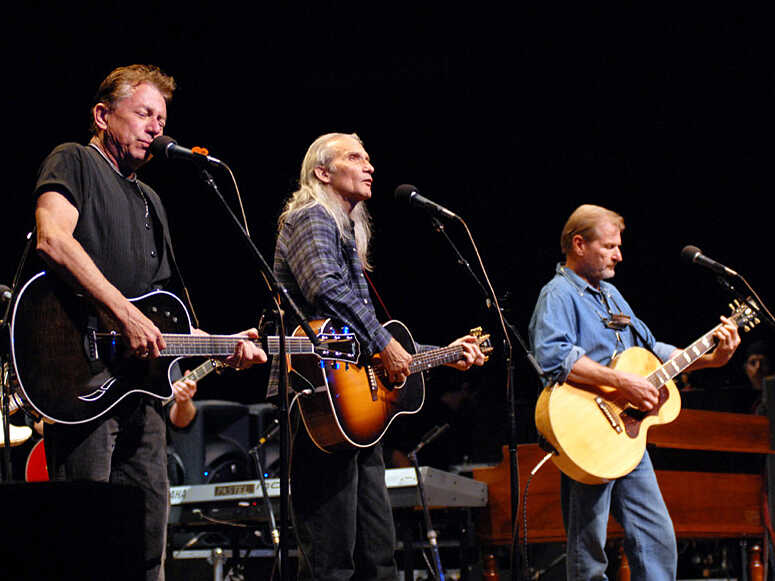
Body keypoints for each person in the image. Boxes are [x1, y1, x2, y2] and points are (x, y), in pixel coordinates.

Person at [32, 64, 267, 581]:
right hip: (78, 378)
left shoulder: (150, 200)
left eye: (162, 117)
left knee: (147, 547)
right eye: (143, 113)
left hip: (140, 396)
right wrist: (121, 310)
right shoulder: (74, 160)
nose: (157, 127)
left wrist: (223, 344)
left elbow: (164, 317)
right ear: (102, 115)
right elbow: (52, 238)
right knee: (86, 541)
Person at [269, 132, 486, 581]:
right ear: (322, 172)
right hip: (319, 398)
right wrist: (385, 345)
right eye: (354, 157)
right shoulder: (311, 216)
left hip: (355, 409)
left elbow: (376, 345)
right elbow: (324, 291)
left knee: (378, 554)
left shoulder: (346, 230)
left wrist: (446, 354)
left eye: (368, 157)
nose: (369, 165)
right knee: (332, 559)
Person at [528, 204, 740, 580]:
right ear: (579, 244)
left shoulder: (610, 295)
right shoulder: (558, 294)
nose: (619, 255)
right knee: (588, 549)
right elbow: (553, 357)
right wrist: (623, 383)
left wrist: (712, 357)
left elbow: (653, 351)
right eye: (609, 246)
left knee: (657, 539)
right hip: (584, 431)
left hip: (626, 435)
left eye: (618, 246)